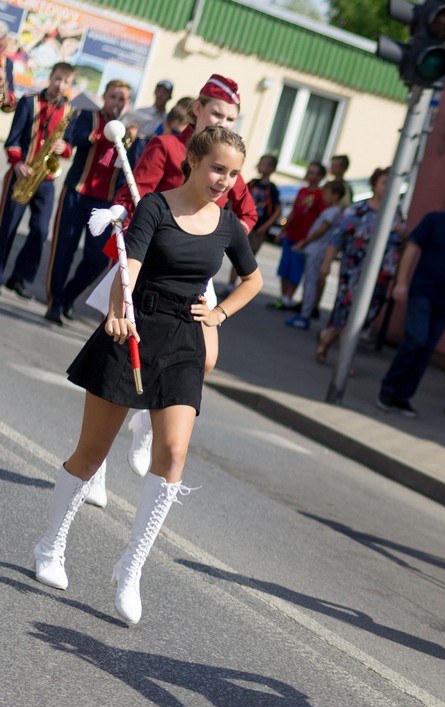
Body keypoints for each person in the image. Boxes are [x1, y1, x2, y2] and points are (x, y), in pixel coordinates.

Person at [31, 126, 262, 626]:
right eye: (217, 168)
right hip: (135, 329)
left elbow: (253, 279)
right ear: (194, 161)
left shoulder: (228, 225)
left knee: (173, 455)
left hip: (184, 340)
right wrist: (119, 311)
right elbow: (128, 267)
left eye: (233, 173)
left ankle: (131, 569)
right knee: (91, 453)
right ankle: (50, 545)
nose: (224, 180)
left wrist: (218, 315)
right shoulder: (155, 206)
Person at [98, 75, 256, 481]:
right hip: (146, 262)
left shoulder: (227, 162)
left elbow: (247, 214)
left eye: (231, 118)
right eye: (217, 114)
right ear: (197, 109)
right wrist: (122, 214)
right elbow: (135, 191)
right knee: (118, 363)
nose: (223, 123)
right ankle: (96, 466)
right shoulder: (167, 146)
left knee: (207, 358)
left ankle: (147, 424)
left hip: (193, 272)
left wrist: (217, 238)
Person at [375, 180, 445, 416]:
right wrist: (401, 282)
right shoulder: (434, 220)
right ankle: (388, 388)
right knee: (416, 339)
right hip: (422, 291)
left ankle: (403, 396)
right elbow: (412, 249)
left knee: (426, 348)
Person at [42, 79, 134, 324]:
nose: (116, 103)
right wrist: (98, 134)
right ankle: (54, 302)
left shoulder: (129, 130)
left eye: (121, 99)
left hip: (105, 203)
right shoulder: (87, 116)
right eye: (113, 97)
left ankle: (69, 296)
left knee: (98, 258)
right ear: (104, 97)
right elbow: (72, 140)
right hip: (76, 193)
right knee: (63, 250)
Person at [0, 62, 74, 300]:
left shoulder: (70, 111)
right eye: (57, 79)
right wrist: (17, 163)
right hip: (21, 172)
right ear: (50, 77)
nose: (60, 85)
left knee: (40, 231)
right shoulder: (29, 101)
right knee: (6, 226)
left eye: (66, 82)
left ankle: (20, 279)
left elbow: (70, 147)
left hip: (46, 179)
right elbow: (13, 139)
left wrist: (64, 148)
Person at [314, 167, 400, 363]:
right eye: (384, 183)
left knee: (366, 316)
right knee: (348, 312)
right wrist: (326, 264)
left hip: (381, 276)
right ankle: (344, 362)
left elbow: (398, 243)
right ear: (374, 184)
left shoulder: (395, 212)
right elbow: (337, 239)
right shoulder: (358, 210)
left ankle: (327, 338)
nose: (388, 188)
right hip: (354, 271)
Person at [285, 179, 345, 331]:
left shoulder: (333, 212)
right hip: (314, 250)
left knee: (310, 283)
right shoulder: (331, 210)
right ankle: (304, 312)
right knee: (309, 282)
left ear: (336, 195)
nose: (324, 197)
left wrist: (305, 242)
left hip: (317, 251)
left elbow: (321, 230)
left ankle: (305, 315)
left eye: (327, 193)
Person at [274, 159, 325, 309]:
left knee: (295, 270)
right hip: (290, 235)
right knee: (284, 267)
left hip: (304, 239)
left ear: (320, 177)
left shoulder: (320, 195)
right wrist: (282, 231)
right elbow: (294, 212)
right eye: (309, 171)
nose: (309, 174)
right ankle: (283, 297)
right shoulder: (302, 191)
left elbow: (321, 219)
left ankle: (288, 298)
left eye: (313, 173)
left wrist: (310, 239)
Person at [246, 153, 280, 255]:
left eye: (263, 164)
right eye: (260, 163)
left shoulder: (272, 188)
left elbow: (278, 210)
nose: (259, 166)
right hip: (247, 224)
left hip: (259, 228)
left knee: (249, 256)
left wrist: (265, 227)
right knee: (237, 254)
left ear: (271, 168)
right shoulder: (253, 183)